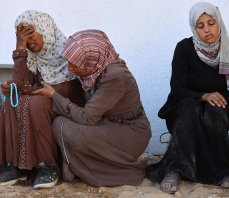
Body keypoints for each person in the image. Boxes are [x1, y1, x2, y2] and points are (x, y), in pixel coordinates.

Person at [145, 2, 229, 194]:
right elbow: (176, 89)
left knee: (216, 109)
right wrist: (203, 96)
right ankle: (174, 170)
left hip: (218, 106)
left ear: (219, 22)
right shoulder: (184, 48)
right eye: (200, 26)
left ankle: (223, 172)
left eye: (211, 23)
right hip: (184, 102)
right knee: (189, 109)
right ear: (194, 28)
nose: (207, 30)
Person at [32, 29, 152, 187]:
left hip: (131, 133)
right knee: (61, 124)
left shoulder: (115, 76)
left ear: (91, 58)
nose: (70, 68)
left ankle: (120, 172)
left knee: (68, 129)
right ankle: (80, 167)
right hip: (109, 126)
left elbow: (87, 117)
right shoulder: (94, 72)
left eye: (74, 64)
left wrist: (54, 95)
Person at [0, 10, 85, 189]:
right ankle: (13, 166)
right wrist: (19, 50)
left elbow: (61, 91)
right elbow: (23, 83)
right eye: (24, 38)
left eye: (31, 36)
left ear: (46, 31)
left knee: (36, 103)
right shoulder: (34, 57)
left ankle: (47, 166)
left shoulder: (66, 53)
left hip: (67, 108)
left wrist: (25, 88)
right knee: (10, 100)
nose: (30, 43)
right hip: (41, 102)